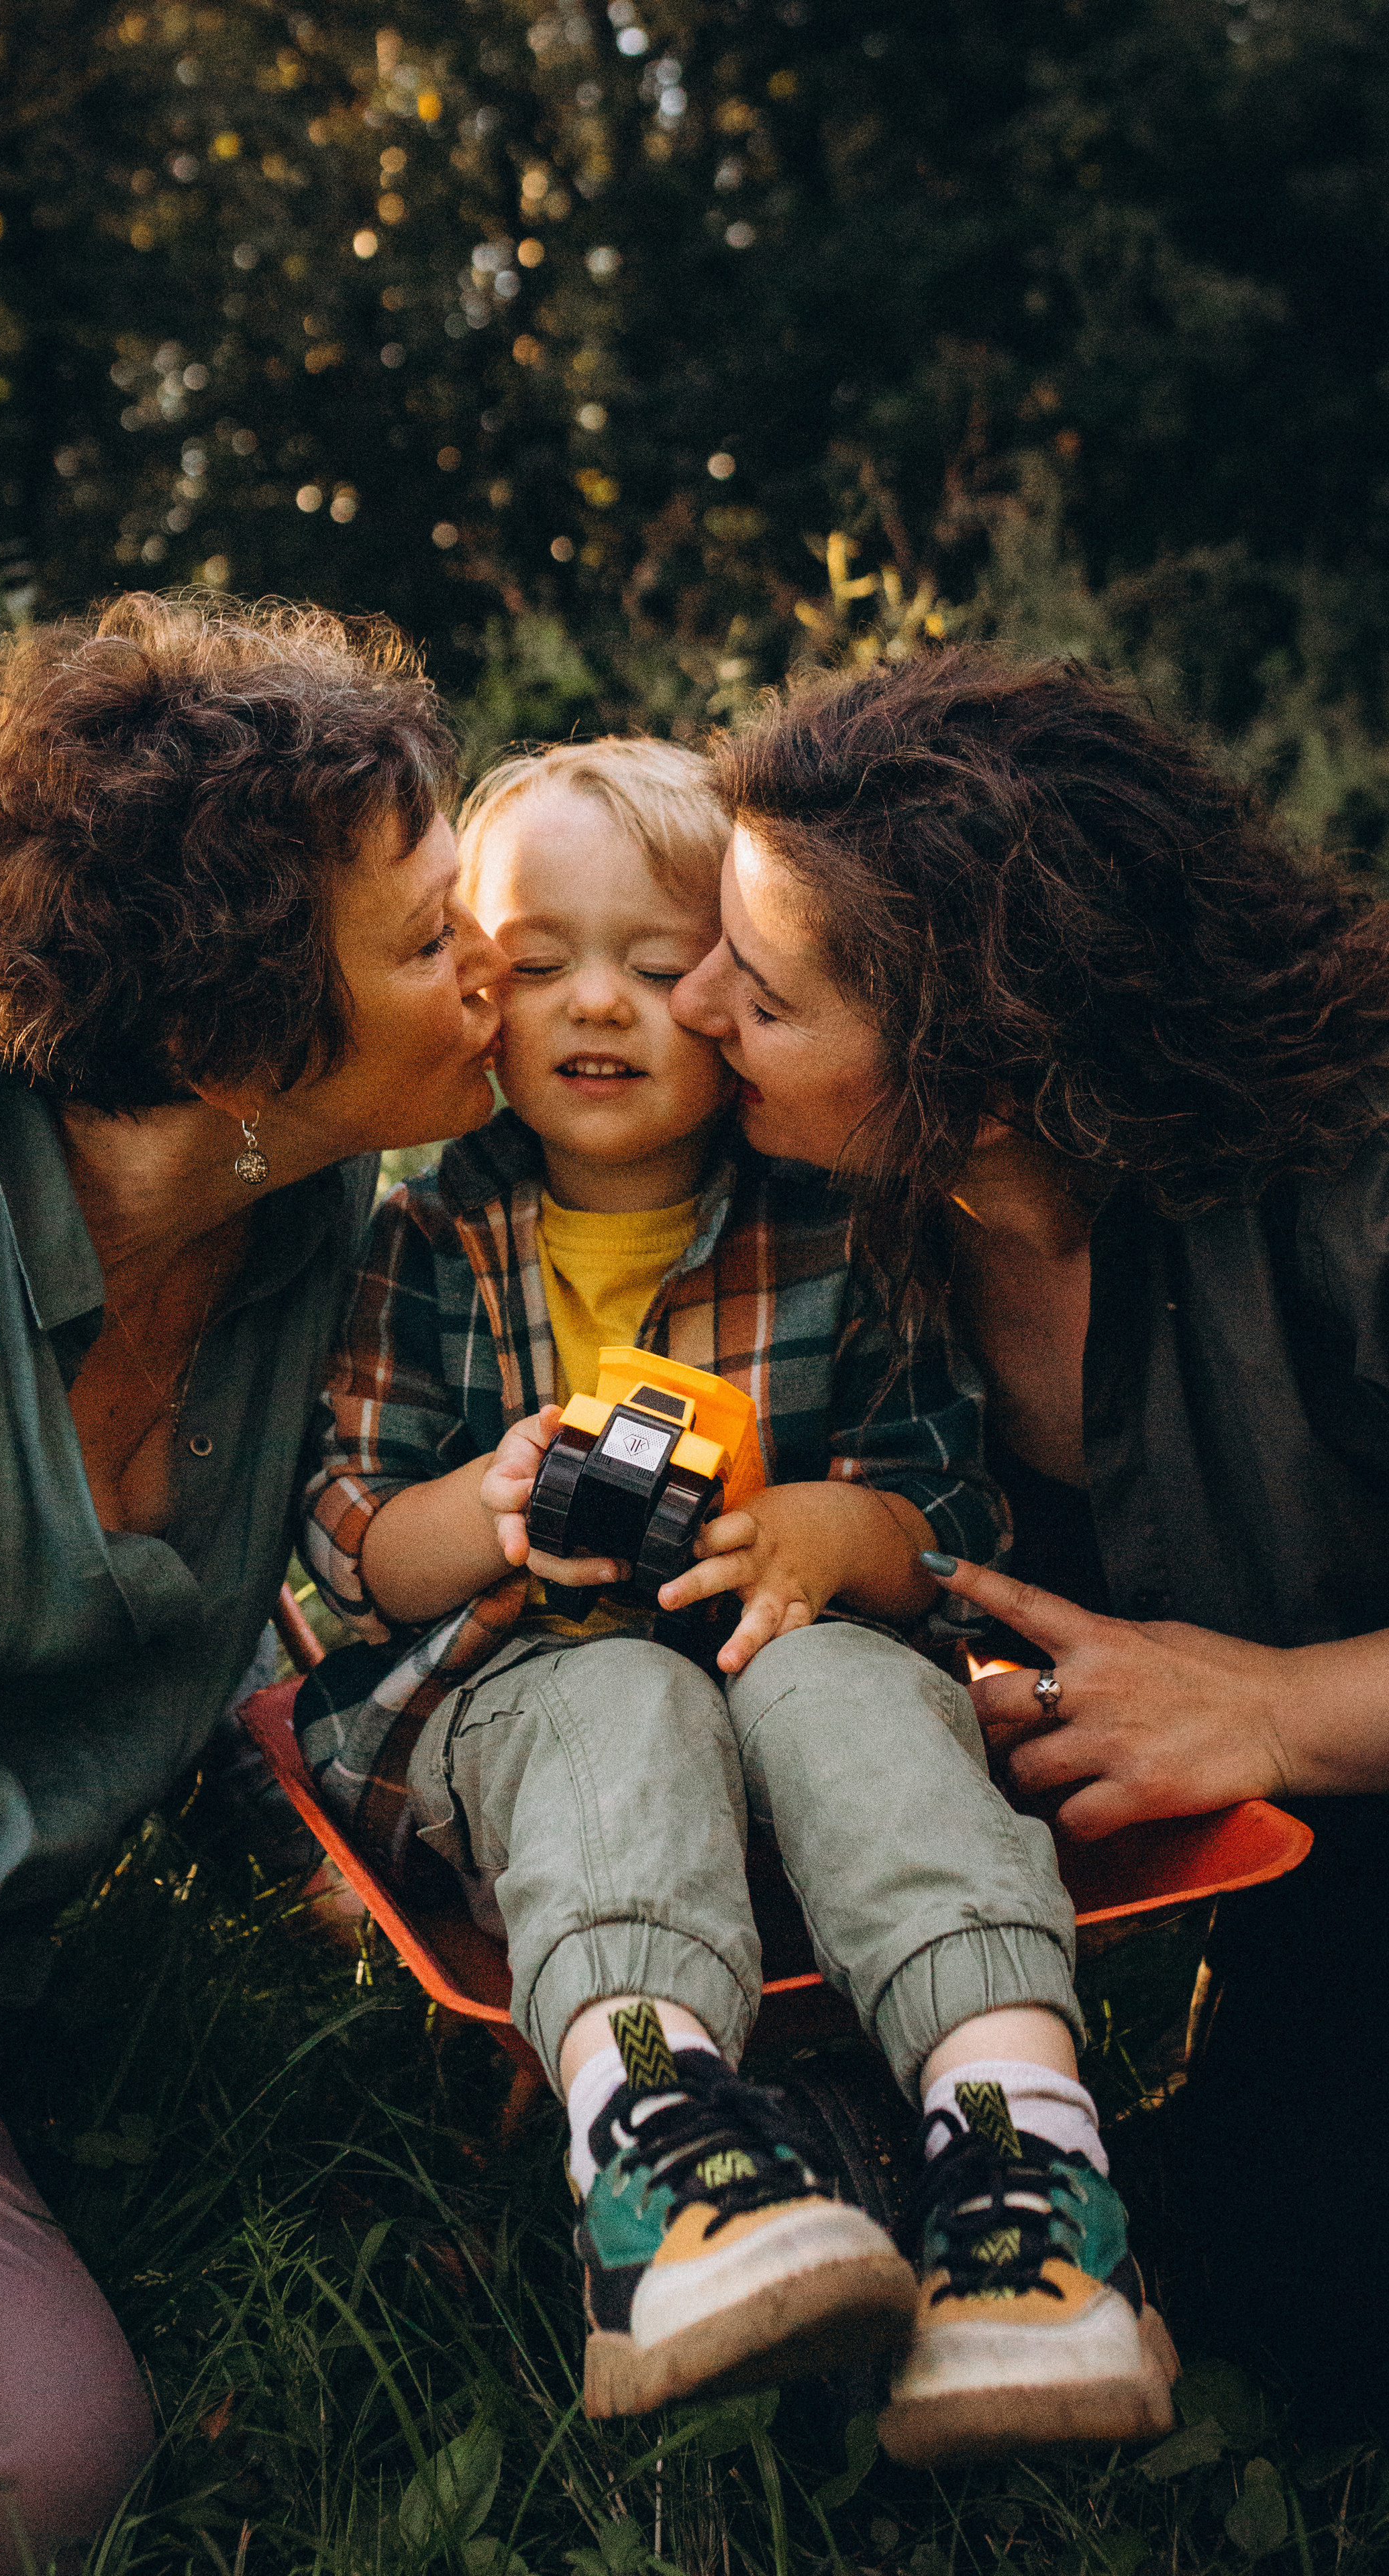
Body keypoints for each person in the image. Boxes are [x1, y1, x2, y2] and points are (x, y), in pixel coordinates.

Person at [295, 735, 1178, 2455]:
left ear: (729, 991)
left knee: (844, 1679)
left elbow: (945, 1513)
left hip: (799, 1716)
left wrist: (828, 1535)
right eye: (538, 964)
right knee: (619, 1693)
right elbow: (350, 1540)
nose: (597, 1005)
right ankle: (661, 2163)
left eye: (655, 962)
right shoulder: (430, 1235)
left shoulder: (835, 1227)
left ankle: (1027, 2176)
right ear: (475, 991)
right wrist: (486, 1511)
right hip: (524, 1714)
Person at [0, 594, 507, 2570]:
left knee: (41, 2472)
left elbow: (225, 1646)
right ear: (222, 1040)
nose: (493, 961)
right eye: (429, 939)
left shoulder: (327, 1234)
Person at [670, 647, 1389, 2434]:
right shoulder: (830, 1211)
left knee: (1343, 2315)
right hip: (1251, 1873)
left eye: (766, 993)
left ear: (979, 1083)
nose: (696, 998)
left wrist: (1278, 1711)